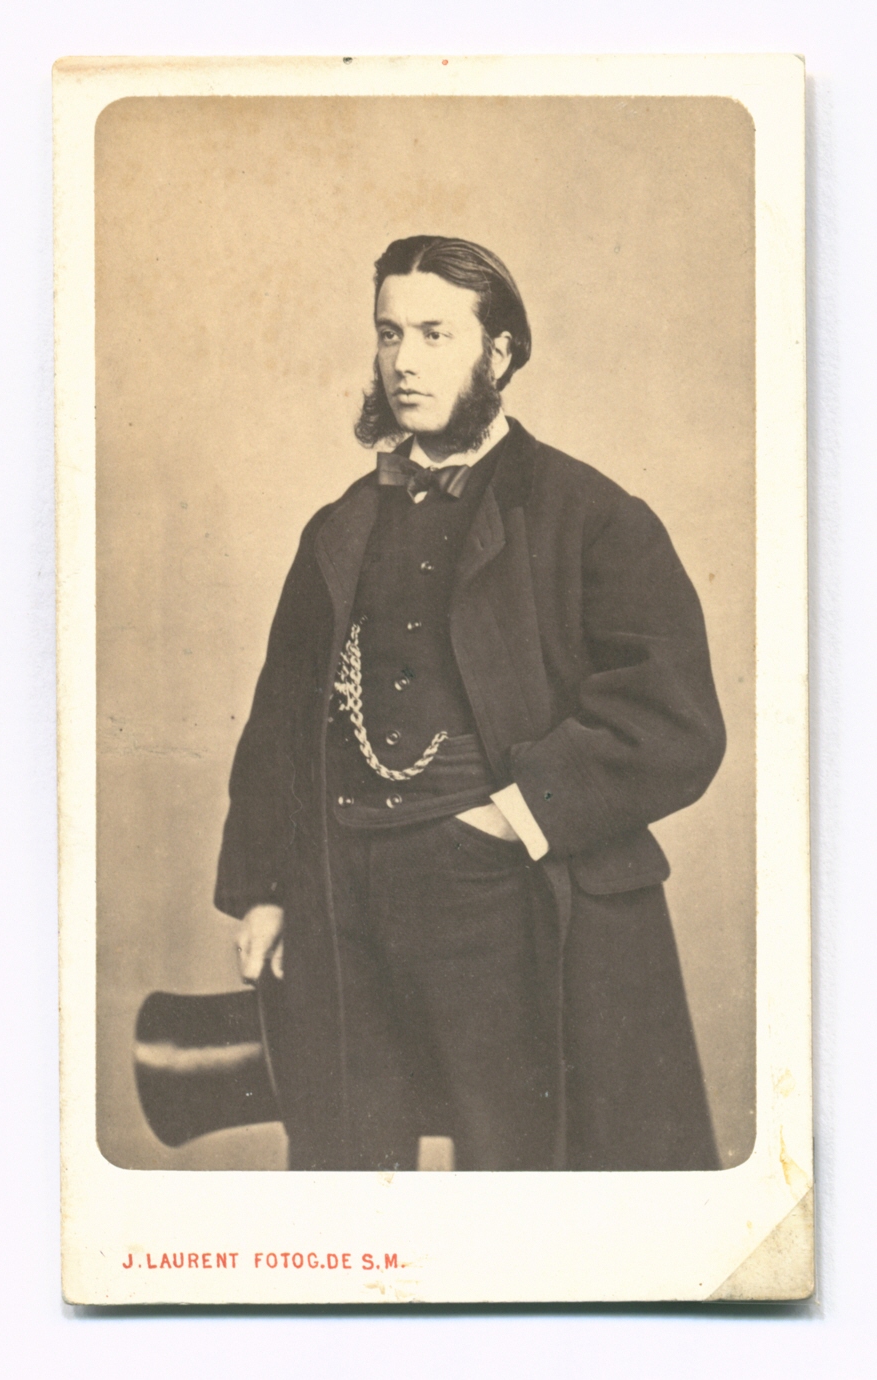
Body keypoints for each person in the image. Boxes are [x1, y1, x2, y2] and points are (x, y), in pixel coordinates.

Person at [214, 235, 726, 1172]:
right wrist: (265, 890)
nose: (403, 361)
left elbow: (671, 719)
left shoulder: (588, 513)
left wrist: (511, 820)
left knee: (522, 1167)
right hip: (343, 891)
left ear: (499, 352)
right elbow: (281, 720)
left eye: (435, 334)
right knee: (349, 1164)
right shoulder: (340, 525)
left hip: (505, 890)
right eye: (389, 333)